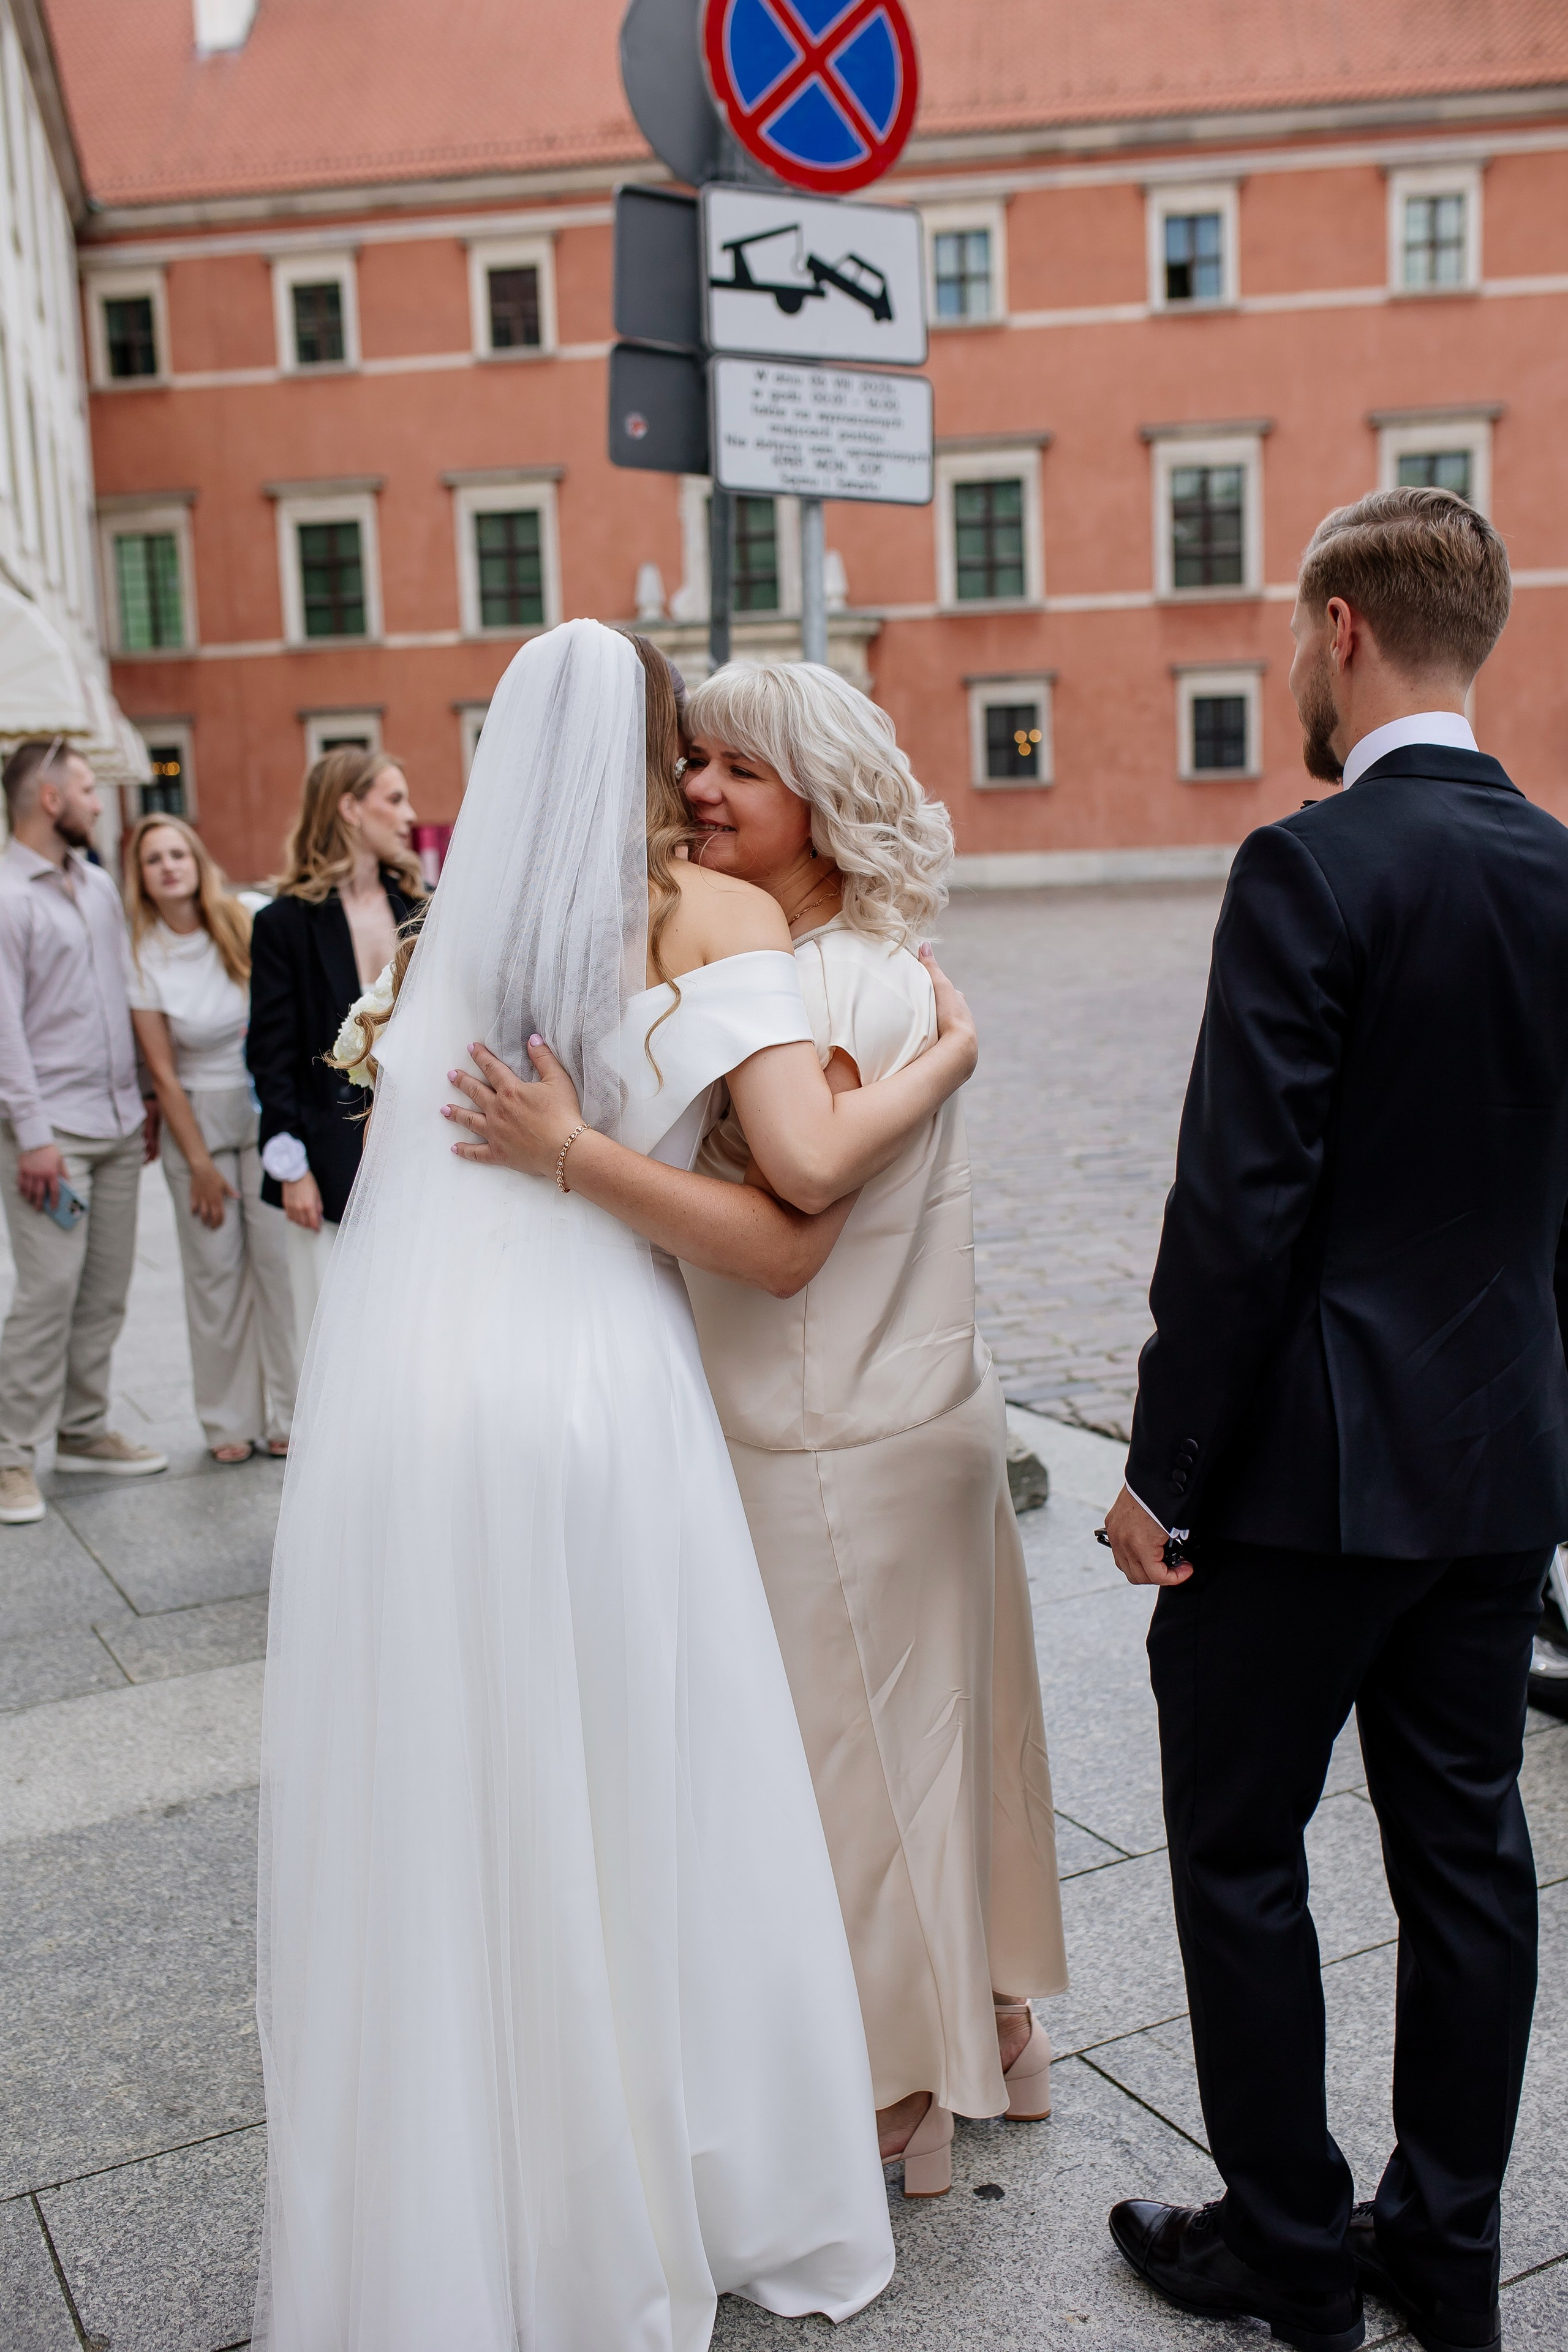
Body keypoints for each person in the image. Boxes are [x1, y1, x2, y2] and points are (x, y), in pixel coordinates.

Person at [254, 620, 979, 2351]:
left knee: (468, 1799)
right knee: (647, 1788)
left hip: (423, 1411)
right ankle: (671, 2185)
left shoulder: (444, 953)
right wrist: (942, 1061)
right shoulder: (708, 920)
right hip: (594, 1389)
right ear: (661, 749)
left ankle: (470, 2209)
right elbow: (791, 1229)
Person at [449, 656, 1066, 2201]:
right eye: (694, 759)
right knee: (944, 1750)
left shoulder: (814, 982)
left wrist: (569, 1152)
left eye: (737, 768)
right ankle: (1000, 2029)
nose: (699, 789)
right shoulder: (872, 959)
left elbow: (784, 1217)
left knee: (844, 1790)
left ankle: (885, 2111)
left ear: (820, 797)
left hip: (825, 1433)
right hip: (907, 1408)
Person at [1101, 487, 1562, 2352]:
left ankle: (1289, 2249)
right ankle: (1442, 2251)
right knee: (1468, 1854)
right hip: (1495, 1469)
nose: (1298, 664)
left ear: (1344, 628)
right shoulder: (1559, 867)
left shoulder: (1309, 863)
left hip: (1296, 1480)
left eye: (1301, 635)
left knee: (1240, 1850)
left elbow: (1240, 1207)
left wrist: (1157, 1471)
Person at [0, 741, 166, 1525]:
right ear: (48, 799)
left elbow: (118, 999)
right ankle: (8, 1454)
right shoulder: (6, 895)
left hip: (117, 1122)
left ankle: (82, 1427)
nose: (100, 803)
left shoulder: (98, 886)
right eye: (88, 789)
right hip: (52, 1135)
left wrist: (145, 1098)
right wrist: (33, 1136)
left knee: (104, 1290)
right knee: (48, 1292)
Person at [124, 815, 295, 1463]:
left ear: (197, 859)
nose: (168, 866)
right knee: (214, 1276)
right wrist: (196, 1162)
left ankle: (290, 1412)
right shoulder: (141, 951)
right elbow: (162, 1073)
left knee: (279, 1265)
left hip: (262, 1107)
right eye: (152, 860)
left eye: (177, 853)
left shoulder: (247, 917)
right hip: (194, 1116)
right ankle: (227, 1421)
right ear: (140, 879)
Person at [246, 747, 421, 1349]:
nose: (409, 815)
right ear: (350, 807)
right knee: (334, 1334)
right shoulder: (283, 924)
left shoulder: (419, 907)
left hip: (418, 1149)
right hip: (324, 1159)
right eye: (394, 799)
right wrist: (291, 1165)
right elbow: (272, 1057)